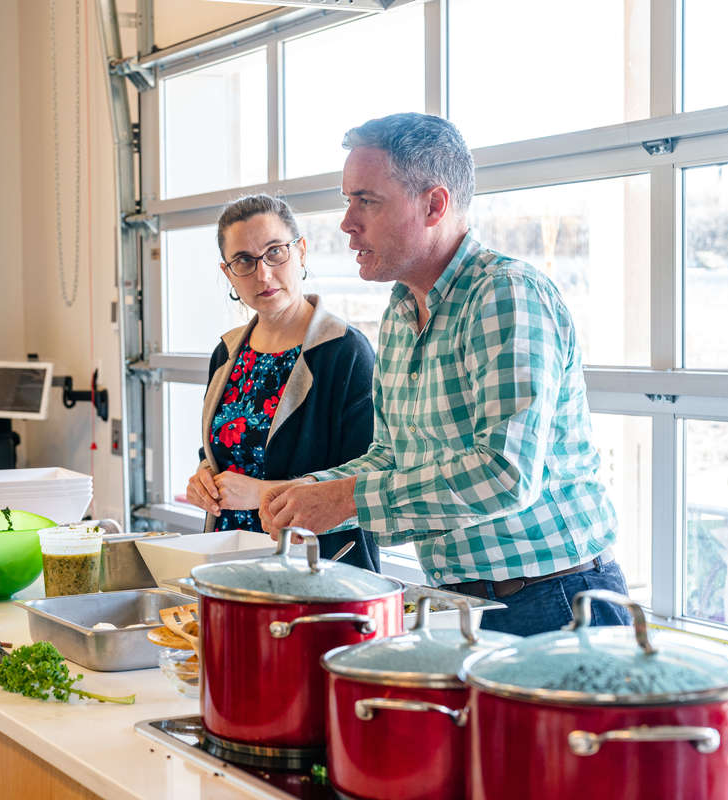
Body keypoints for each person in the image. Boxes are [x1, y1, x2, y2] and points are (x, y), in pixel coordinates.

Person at [260, 113, 632, 635]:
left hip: (556, 602)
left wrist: (343, 500)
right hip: (462, 603)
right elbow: (392, 457)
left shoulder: (505, 296)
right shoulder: (399, 311)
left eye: (366, 200)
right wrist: (303, 492)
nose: (347, 222)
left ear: (434, 204)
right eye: (348, 200)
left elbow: (504, 474)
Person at [185, 194, 380, 571]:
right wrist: (203, 478)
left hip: (318, 568)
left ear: (301, 252)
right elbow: (225, 450)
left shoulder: (346, 351)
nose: (263, 274)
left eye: (275, 252)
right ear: (228, 273)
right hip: (230, 562)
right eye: (244, 261)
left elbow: (366, 481)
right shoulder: (226, 353)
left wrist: (261, 494)